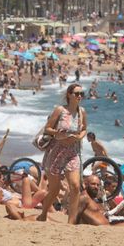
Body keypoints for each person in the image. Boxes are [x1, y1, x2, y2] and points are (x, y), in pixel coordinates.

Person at [37, 83, 87, 223]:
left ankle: (71, 222)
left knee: (75, 186)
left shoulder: (82, 112)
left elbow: (84, 129)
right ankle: (43, 213)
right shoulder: (60, 110)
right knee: (55, 189)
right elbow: (47, 129)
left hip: (73, 152)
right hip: (56, 152)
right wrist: (58, 133)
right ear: (69, 95)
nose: (79, 96)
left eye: (81, 94)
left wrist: (80, 136)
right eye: (76, 93)